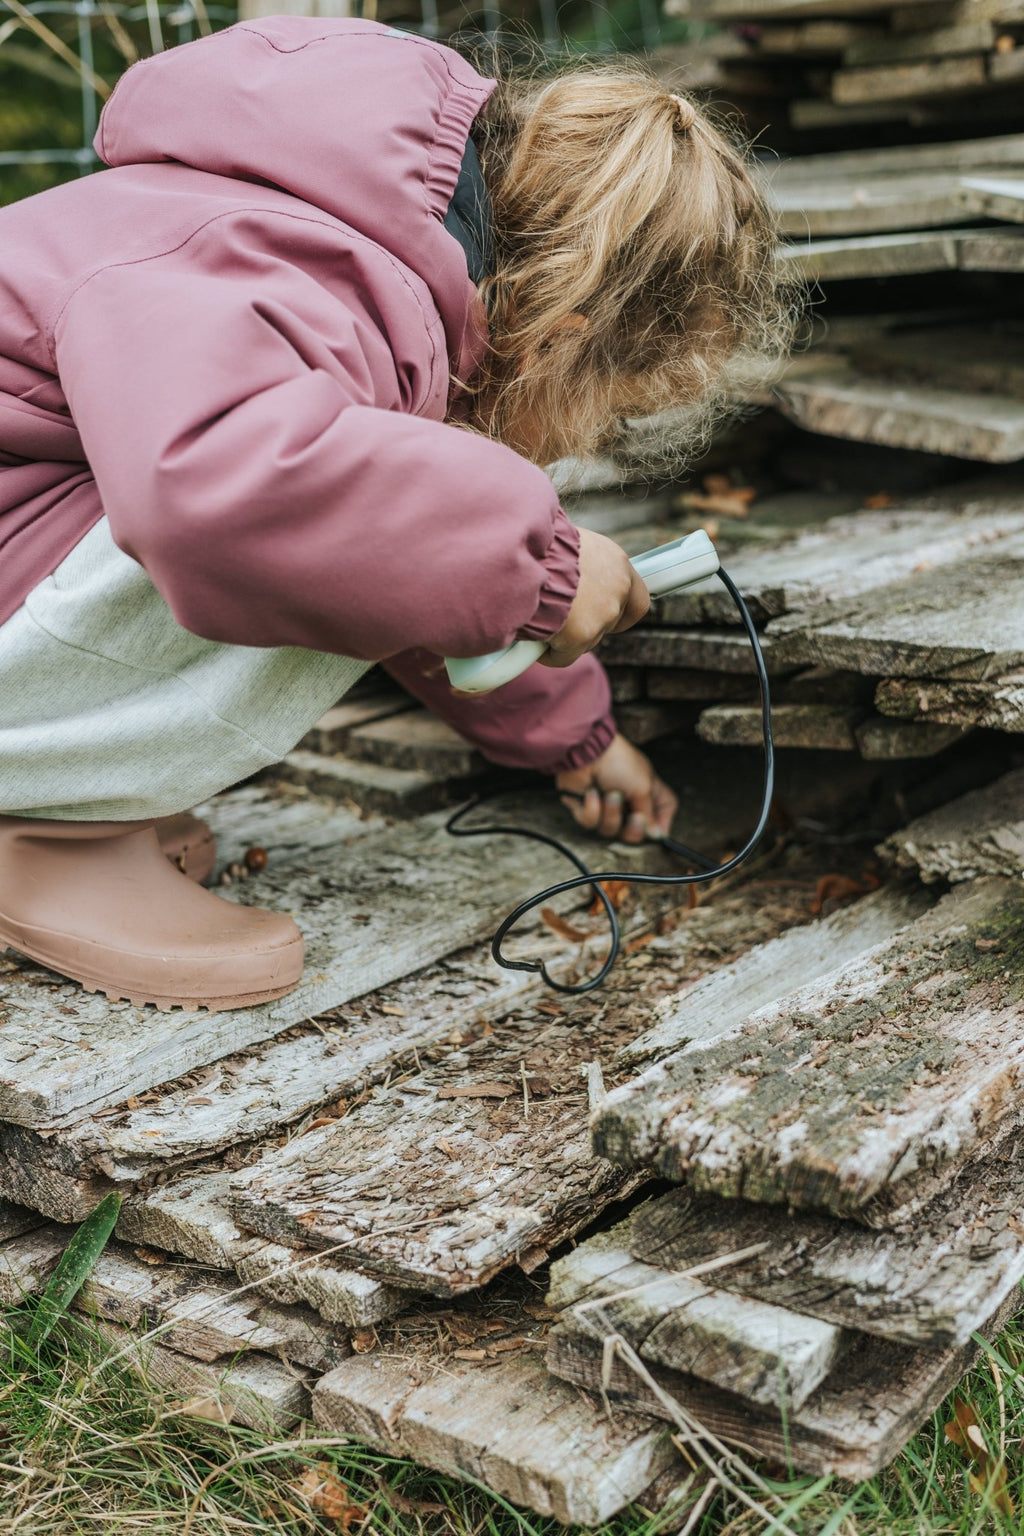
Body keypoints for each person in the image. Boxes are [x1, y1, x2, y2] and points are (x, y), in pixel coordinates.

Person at [0, 17, 790, 1011]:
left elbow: (392, 556)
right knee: (307, 523)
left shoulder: (330, 249)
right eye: (612, 411)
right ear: (565, 337)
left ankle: (64, 805)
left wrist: (580, 736)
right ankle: (36, 837)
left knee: (368, 517)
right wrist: (540, 563)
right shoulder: (290, 266)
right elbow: (224, 494)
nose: (583, 444)